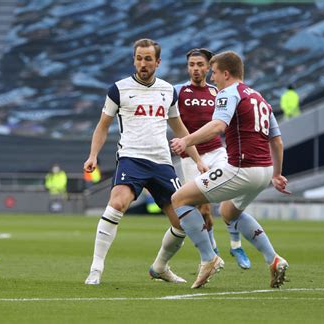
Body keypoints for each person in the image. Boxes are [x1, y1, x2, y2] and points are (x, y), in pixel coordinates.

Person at [83, 38, 208, 285]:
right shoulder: (118, 89)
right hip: (132, 158)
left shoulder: (168, 91)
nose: (143, 63)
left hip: (162, 163)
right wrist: (93, 155)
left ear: (158, 62)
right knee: (117, 203)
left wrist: (198, 159)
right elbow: (103, 126)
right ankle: (96, 269)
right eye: (139, 58)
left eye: (148, 59)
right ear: (134, 60)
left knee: (182, 222)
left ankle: (160, 267)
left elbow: (179, 128)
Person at [170, 51, 290, 289]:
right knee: (228, 212)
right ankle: (273, 258)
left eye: (213, 72)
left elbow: (217, 126)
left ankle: (208, 257)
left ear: (226, 73)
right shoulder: (258, 97)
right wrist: (276, 174)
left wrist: (187, 141)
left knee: (179, 199)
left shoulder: (228, 93)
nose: (212, 78)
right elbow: (277, 141)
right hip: (264, 171)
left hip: (241, 168)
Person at [173, 47, 251, 269]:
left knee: (234, 194)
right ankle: (213, 249)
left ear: (209, 67)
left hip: (217, 151)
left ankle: (235, 245)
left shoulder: (218, 92)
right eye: (191, 65)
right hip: (190, 157)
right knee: (203, 209)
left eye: (200, 65)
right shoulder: (178, 91)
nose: (195, 69)